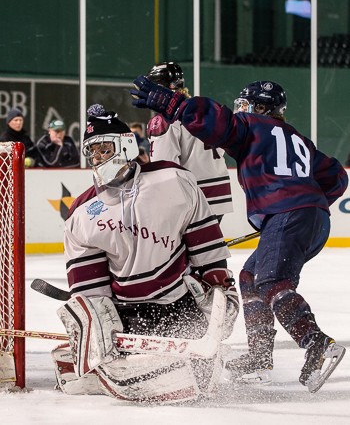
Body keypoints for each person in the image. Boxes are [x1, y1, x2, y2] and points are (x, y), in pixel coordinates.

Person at [130, 77, 349, 393]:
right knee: (249, 276)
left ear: (261, 108)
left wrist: (174, 104)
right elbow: (337, 177)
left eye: (245, 105)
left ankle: (318, 344)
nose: (240, 111)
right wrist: (308, 204)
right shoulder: (297, 138)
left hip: (291, 215)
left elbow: (218, 123)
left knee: (273, 282)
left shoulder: (252, 126)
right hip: (308, 217)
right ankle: (260, 358)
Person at [51, 103, 239, 404]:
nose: (97, 159)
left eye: (104, 149)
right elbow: (91, 289)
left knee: (204, 382)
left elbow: (207, 250)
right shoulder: (82, 215)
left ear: (126, 145)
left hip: (179, 304)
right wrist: (96, 321)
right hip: (128, 315)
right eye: (92, 152)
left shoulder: (174, 180)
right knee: (147, 378)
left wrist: (220, 289)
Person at [146, 62, 233, 223]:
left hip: (192, 197)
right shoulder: (203, 109)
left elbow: (165, 165)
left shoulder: (164, 120)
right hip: (218, 192)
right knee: (208, 247)